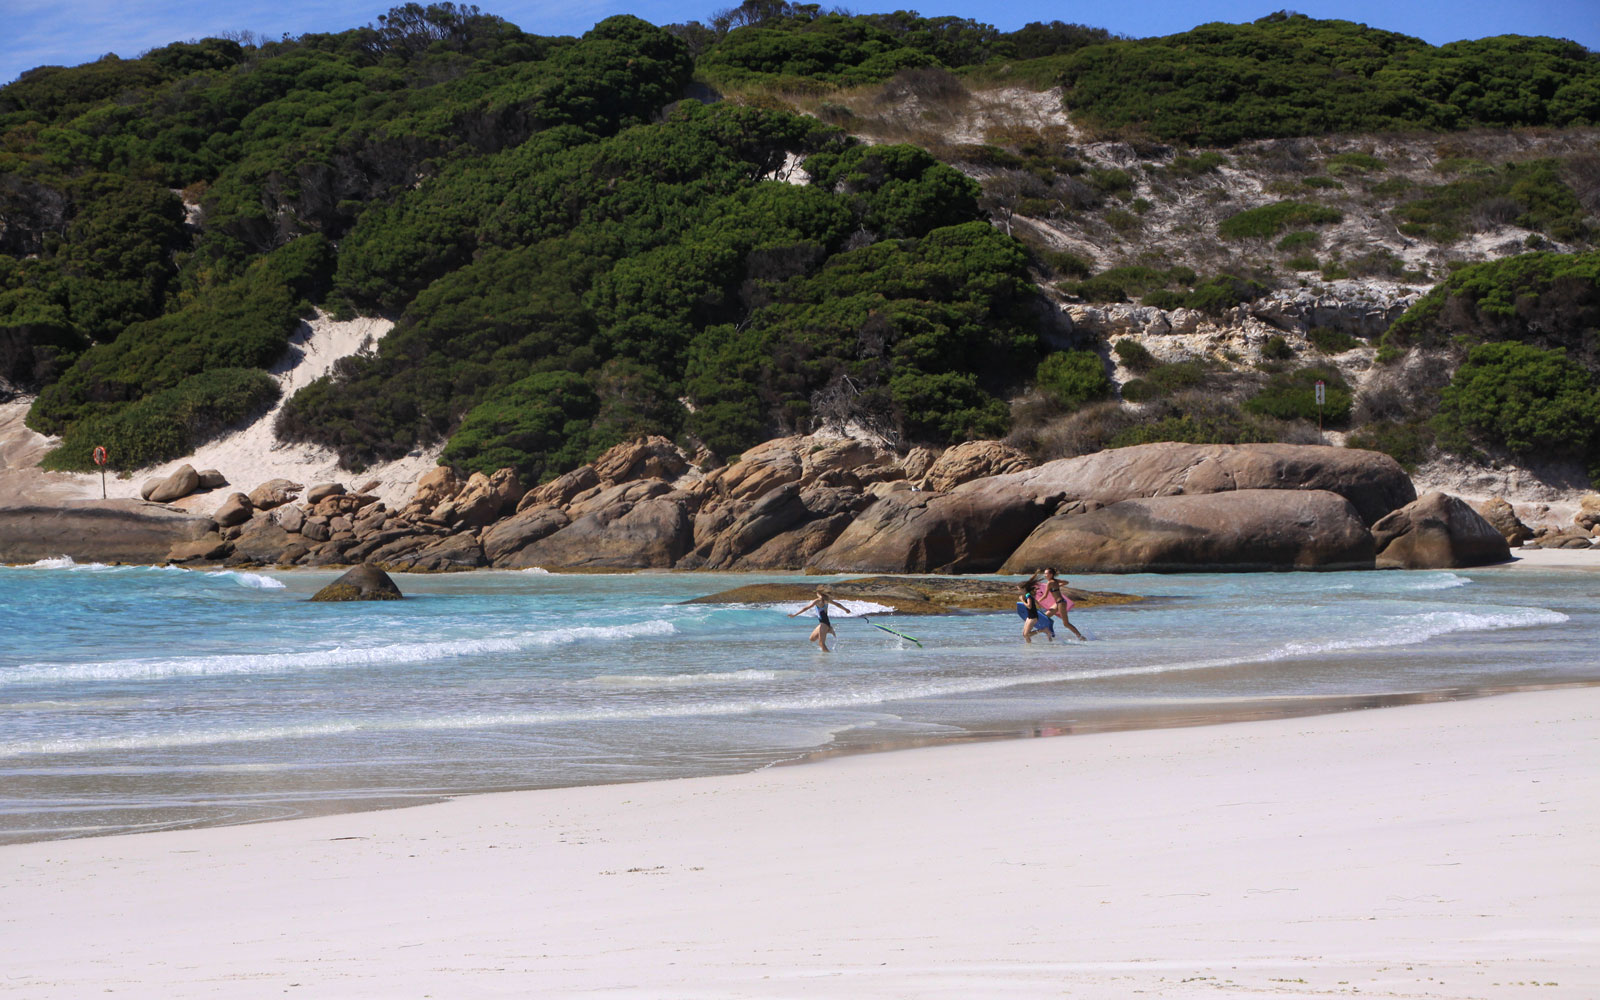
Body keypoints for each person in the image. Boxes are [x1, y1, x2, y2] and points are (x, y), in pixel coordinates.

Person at [789, 588, 853, 652]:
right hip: (823, 623)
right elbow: (837, 604)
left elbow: (806, 608)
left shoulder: (817, 601)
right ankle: (828, 630)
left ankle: (828, 656)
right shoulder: (827, 600)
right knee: (812, 639)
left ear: (818, 593)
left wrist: (795, 615)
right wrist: (846, 609)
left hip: (824, 624)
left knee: (821, 643)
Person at [1037, 567, 1086, 641]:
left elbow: (1045, 595)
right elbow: (1066, 582)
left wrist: (1037, 601)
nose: (1045, 575)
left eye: (1046, 573)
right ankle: (1049, 634)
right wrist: (1057, 586)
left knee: (1066, 623)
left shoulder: (1049, 583)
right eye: (1044, 573)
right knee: (1045, 617)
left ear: (1051, 574)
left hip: (1061, 603)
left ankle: (1081, 637)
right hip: (1058, 603)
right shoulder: (1055, 581)